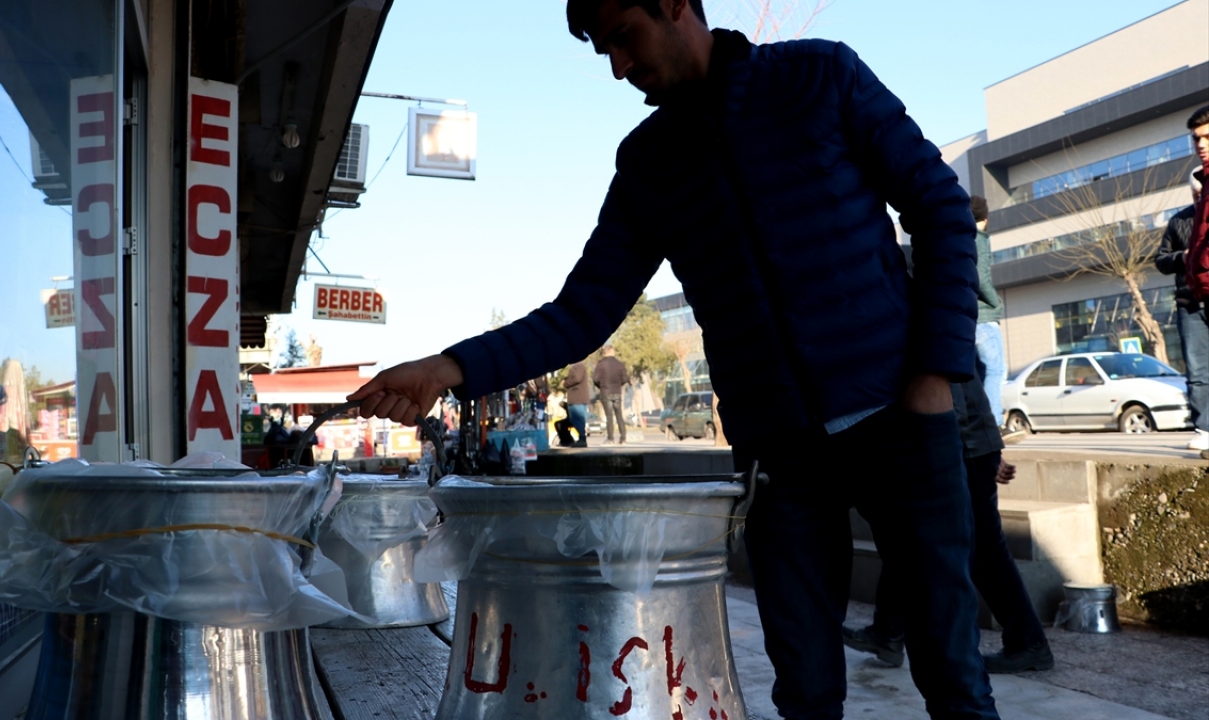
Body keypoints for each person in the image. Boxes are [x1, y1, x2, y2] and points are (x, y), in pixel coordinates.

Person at [350, 1, 994, 717]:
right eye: (604, 50)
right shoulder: (649, 161)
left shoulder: (819, 75)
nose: (618, 67)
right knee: (806, 691)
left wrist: (935, 376)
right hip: (780, 459)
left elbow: (940, 207)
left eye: (624, 37)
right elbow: (583, 311)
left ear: (677, 4)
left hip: (902, 421)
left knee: (953, 674)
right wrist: (448, 369)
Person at [843, 370, 1054, 674]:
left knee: (982, 548)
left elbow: (952, 381)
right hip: (960, 441)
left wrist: (967, 447)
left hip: (958, 444)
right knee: (907, 534)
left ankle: (1028, 642)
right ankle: (887, 631)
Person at [1161, 106, 1209, 452]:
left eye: (1206, 137)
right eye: (1196, 139)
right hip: (1190, 297)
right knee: (1198, 369)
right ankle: (1205, 427)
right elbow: (1161, 259)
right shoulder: (1179, 221)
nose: (1200, 144)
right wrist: (1185, 258)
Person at [970, 196, 1018, 442]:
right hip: (984, 316)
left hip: (968, 317)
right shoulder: (978, 238)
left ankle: (981, 427)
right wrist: (995, 302)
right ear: (986, 219)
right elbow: (981, 277)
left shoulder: (958, 238)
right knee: (995, 369)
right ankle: (995, 424)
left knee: (977, 374)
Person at [592, 345, 630, 445]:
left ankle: (610, 439)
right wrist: (618, 384)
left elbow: (595, 379)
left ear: (605, 353)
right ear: (613, 352)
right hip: (617, 391)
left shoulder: (601, 364)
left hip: (605, 392)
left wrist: (601, 386)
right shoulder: (619, 364)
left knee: (609, 416)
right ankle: (623, 438)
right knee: (619, 415)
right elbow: (625, 378)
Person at [564, 360, 590, 447]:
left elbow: (577, 378)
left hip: (577, 399)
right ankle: (581, 438)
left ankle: (582, 438)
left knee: (577, 419)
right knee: (576, 419)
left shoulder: (578, 366)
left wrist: (566, 383)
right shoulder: (577, 366)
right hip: (577, 398)